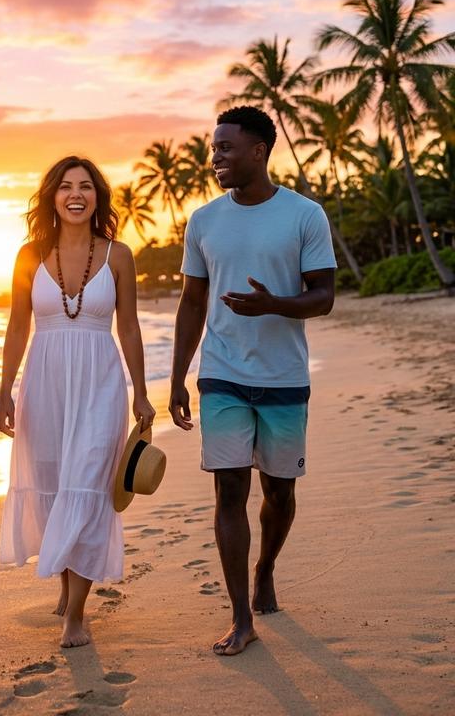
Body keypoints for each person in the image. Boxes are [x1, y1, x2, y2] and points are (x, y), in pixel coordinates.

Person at [169, 106, 336, 656]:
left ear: (259, 150)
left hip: (285, 376)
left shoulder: (304, 215)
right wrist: (176, 379)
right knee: (229, 491)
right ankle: (241, 617)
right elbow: (192, 303)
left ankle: (266, 567)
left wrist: (272, 305)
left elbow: (324, 295)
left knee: (279, 492)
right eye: (213, 148)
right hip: (222, 375)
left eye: (225, 148)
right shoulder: (204, 221)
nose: (214, 157)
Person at [0, 155, 155, 649]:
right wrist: (3, 389)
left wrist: (143, 393)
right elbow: (18, 325)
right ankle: (67, 586)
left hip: (100, 383)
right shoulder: (28, 255)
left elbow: (128, 326)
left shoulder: (119, 255)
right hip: (43, 385)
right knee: (51, 486)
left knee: (87, 487)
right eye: (65, 187)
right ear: (53, 197)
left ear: (97, 197)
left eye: (85, 186)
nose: (75, 194)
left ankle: (76, 615)